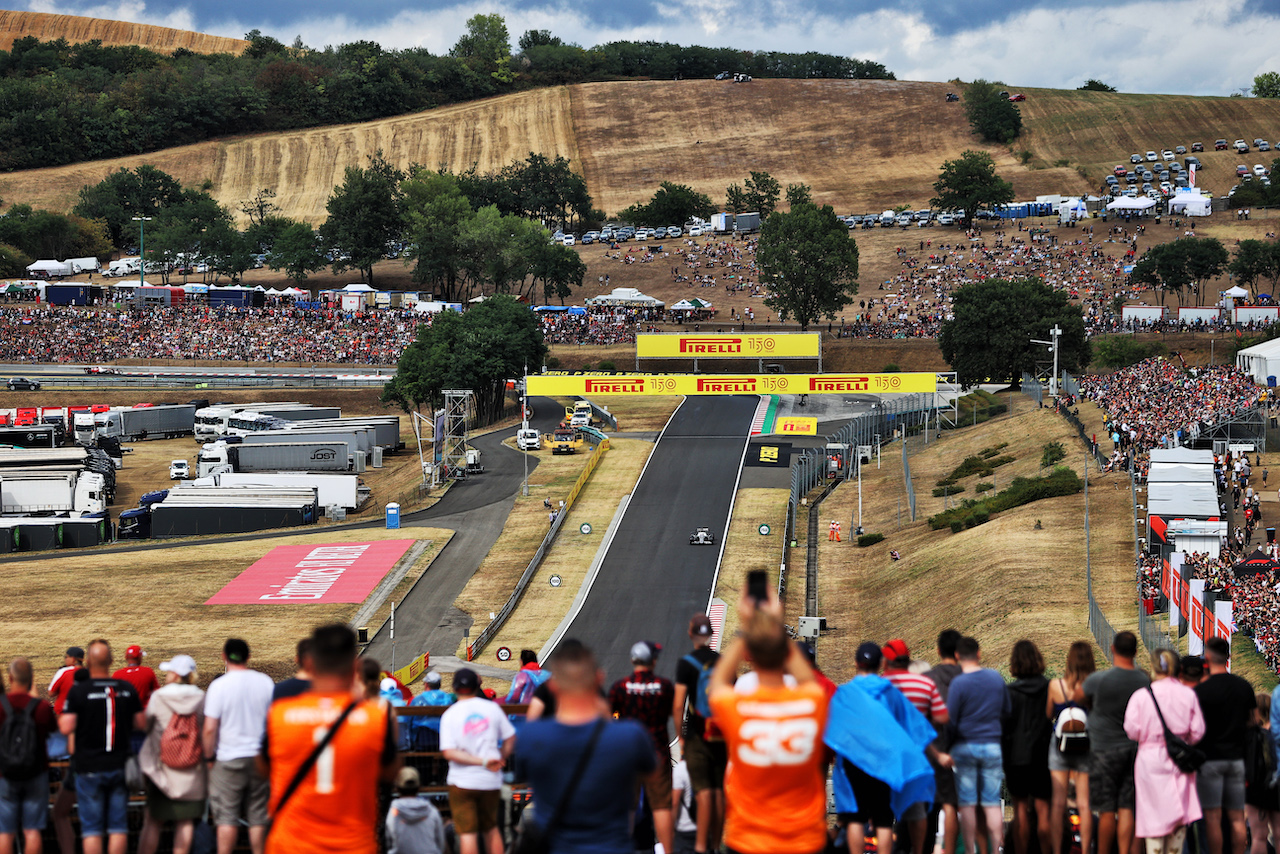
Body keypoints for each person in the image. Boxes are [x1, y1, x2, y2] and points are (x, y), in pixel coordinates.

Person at [261, 623, 400, 854]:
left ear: (309, 664)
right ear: (355, 666)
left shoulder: (280, 714)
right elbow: (389, 771)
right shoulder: (375, 717)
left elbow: (263, 766)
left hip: (291, 843)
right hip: (353, 843)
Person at [710, 586, 829, 854]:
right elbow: (810, 681)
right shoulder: (810, 703)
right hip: (803, 839)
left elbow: (717, 682)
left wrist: (746, 629)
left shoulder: (739, 706)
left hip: (749, 839)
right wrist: (775, 626)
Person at [513, 640, 656, 854]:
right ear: (599, 678)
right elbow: (649, 784)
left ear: (552, 686)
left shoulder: (532, 738)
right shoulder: (631, 736)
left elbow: (521, 773)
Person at [828, 641, 941, 854]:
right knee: (883, 820)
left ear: (855, 663)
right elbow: (912, 725)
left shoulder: (844, 693)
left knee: (855, 817)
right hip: (883, 763)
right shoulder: (889, 692)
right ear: (881, 664)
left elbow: (833, 728)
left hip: (854, 762)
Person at [59, 639, 145, 854]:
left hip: (89, 767)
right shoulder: (125, 688)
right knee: (118, 827)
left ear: (87, 661)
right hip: (119, 764)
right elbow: (141, 724)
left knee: (93, 830)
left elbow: (65, 726)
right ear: (112, 661)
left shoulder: (79, 691)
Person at [1123, 649, 1205, 854]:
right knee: (1178, 815)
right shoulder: (1187, 694)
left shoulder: (1141, 696)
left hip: (1149, 760)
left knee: (1152, 815)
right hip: (1179, 759)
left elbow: (1132, 730)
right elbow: (1198, 731)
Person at [1080, 631, 1150, 854]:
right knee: (1127, 805)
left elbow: (1078, 696)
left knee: (1107, 808)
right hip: (1134, 749)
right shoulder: (1144, 681)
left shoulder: (1098, 680)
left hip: (1103, 750)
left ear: (1112, 649)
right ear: (1136, 652)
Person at [203, 638, 274, 854]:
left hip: (228, 758)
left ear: (224, 657)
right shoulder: (265, 682)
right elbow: (273, 722)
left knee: (226, 818)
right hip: (258, 758)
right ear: (248, 657)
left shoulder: (218, 686)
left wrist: (208, 759)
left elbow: (209, 729)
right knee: (258, 817)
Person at [440, 668, 516, 854]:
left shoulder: (450, 714)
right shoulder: (492, 708)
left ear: (455, 688)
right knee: (491, 829)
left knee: (468, 834)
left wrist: (481, 761)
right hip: (490, 780)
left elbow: (449, 752)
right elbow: (510, 737)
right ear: (477, 686)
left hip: (461, 781)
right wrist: (500, 757)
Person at [609, 641, 676, 854]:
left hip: (629, 757)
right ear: (653, 661)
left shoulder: (619, 687)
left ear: (632, 660)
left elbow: (611, 720)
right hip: (657, 755)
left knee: (628, 805)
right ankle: (667, 850)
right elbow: (672, 714)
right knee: (661, 806)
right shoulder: (665, 686)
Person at [946, 636, 1011, 854]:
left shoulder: (958, 683)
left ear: (957, 656)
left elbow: (951, 720)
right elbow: (1006, 712)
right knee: (992, 802)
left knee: (968, 802)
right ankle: (996, 847)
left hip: (965, 747)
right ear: (979, 653)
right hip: (992, 745)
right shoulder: (995, 678)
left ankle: (971, 850)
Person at [137, 654, 206, 854]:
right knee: (185, 823)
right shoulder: (201, 697)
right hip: (191, 768)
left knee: (152, 821)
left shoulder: (159, 697)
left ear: (175, 674)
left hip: (162, 769)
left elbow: (146, 725)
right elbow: (204, 728)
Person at [1194, 636, 1256, 854]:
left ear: (1207, 657)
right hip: (1237, 759)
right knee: (1237, 816)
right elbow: (1252, 722)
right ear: (1229, 657)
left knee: (1212, 817)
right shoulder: (1243, 687)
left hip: (1210, 759)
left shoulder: (1201, 691)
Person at [674, 613, 726, 854]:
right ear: (712, 634)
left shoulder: (686, 663)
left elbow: (678, 705)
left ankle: (700, 846)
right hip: (720, 734)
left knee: (703, 789)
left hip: (697, 734)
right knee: (718, 790)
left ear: (691, 633)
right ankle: (716, 844)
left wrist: (681, 737)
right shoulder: (723, 662)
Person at [0, 657, 56, 854]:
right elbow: (52, 732)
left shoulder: (1, 706)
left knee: (5, 832)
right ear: (32, 679)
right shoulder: (40, 708)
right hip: (35, 772)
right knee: (32, 830)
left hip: (5, 774)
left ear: (10, 678)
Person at [1003, 640, 1052, 854]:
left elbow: (1003, 726)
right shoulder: (1049, 688)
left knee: (1020, 810)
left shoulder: (1008, 692)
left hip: (1016, 757)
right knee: (1043, 811)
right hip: (1042, 755)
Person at [1047, 641, 1096, 854]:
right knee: (1084, 803)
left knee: (1058, 803)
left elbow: (1047, 716)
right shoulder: (1094, 686)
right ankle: (1085, 850)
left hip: (1060, 744)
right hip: (1086, 744)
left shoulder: (1056, 686)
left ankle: (1057, 850)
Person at [925, 630, 963, 854]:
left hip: (935, 748)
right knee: (952, 805)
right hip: (962, 747)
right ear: (958, 653)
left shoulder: (928, 679)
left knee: (930, 806)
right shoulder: (967, 678)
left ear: (938, 651)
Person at [45, 646, 83, 854]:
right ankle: (74, 792)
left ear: (73, 658)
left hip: (63, 719)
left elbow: (51, 692)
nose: (65, 659)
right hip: (85, 719)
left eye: (66, 656)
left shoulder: (64, 671)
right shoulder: (88, 672)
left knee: (62, 755)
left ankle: (64, 793)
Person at [1246, 693, 1279, 854]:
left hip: (1256, 790)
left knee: (1259, 836)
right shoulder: (1276, 733)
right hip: (1276, 784)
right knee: (1279, 834)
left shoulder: (1251, 735)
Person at [385, 766, 446, 854]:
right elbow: (441, 844)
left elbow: (389, 842)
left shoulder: (393, 812)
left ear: (397, 788)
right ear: (419, 787)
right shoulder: (432, 811)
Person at [407, 672, 454, 751]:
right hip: (442, 740)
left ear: (426, 684)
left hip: (422, 741)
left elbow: (409, 721)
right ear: (439, 684)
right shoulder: (448, 699)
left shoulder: (418, 700)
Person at [112, 644, 159, 712]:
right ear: (139, 658)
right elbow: (157, 693)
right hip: (144, 714)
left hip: (124, 713)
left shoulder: (117, 674)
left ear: (126, 658)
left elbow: (113, 696)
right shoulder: (148, 672)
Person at [671, 759, 698, 854]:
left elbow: (674, 803)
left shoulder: (680, 769)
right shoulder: (708, 767)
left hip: (684, 829)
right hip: (705, 829)